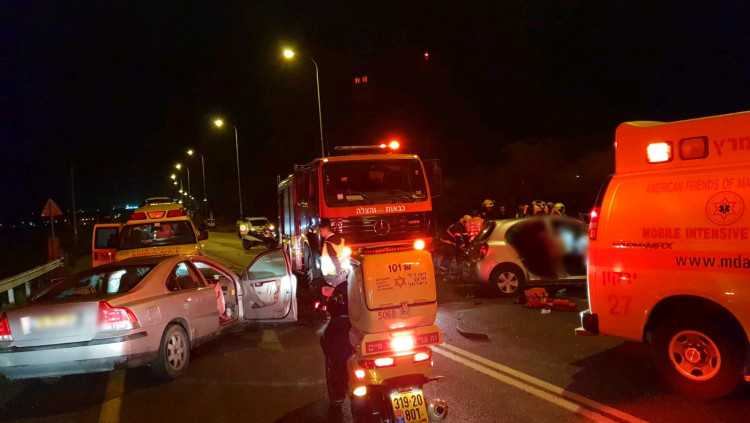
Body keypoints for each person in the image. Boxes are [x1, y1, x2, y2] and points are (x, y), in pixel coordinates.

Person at [318, 220, 353, 408]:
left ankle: (339, 388)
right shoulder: (342, 240)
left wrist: (336, 279)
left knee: (332, 340)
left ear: (324, 229)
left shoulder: (329, 243)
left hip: (335, 283)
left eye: (321, 230)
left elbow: (333, 263)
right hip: (347, 279)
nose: (320, 232)